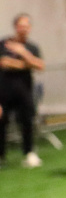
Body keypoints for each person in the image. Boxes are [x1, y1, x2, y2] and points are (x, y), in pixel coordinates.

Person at [0, 13, 45, 167]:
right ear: (15, 27)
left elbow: (40, 66)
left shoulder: (32, 47)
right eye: (21, 26)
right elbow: (3, 62)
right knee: (2, 123)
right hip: (4, 92)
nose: (23, 29)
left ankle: (29, 153)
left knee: (27, 122)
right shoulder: (4, 44)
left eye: (26, 26)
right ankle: (1, 155)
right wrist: (27, 64)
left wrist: (22, 53)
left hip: (25, 91)